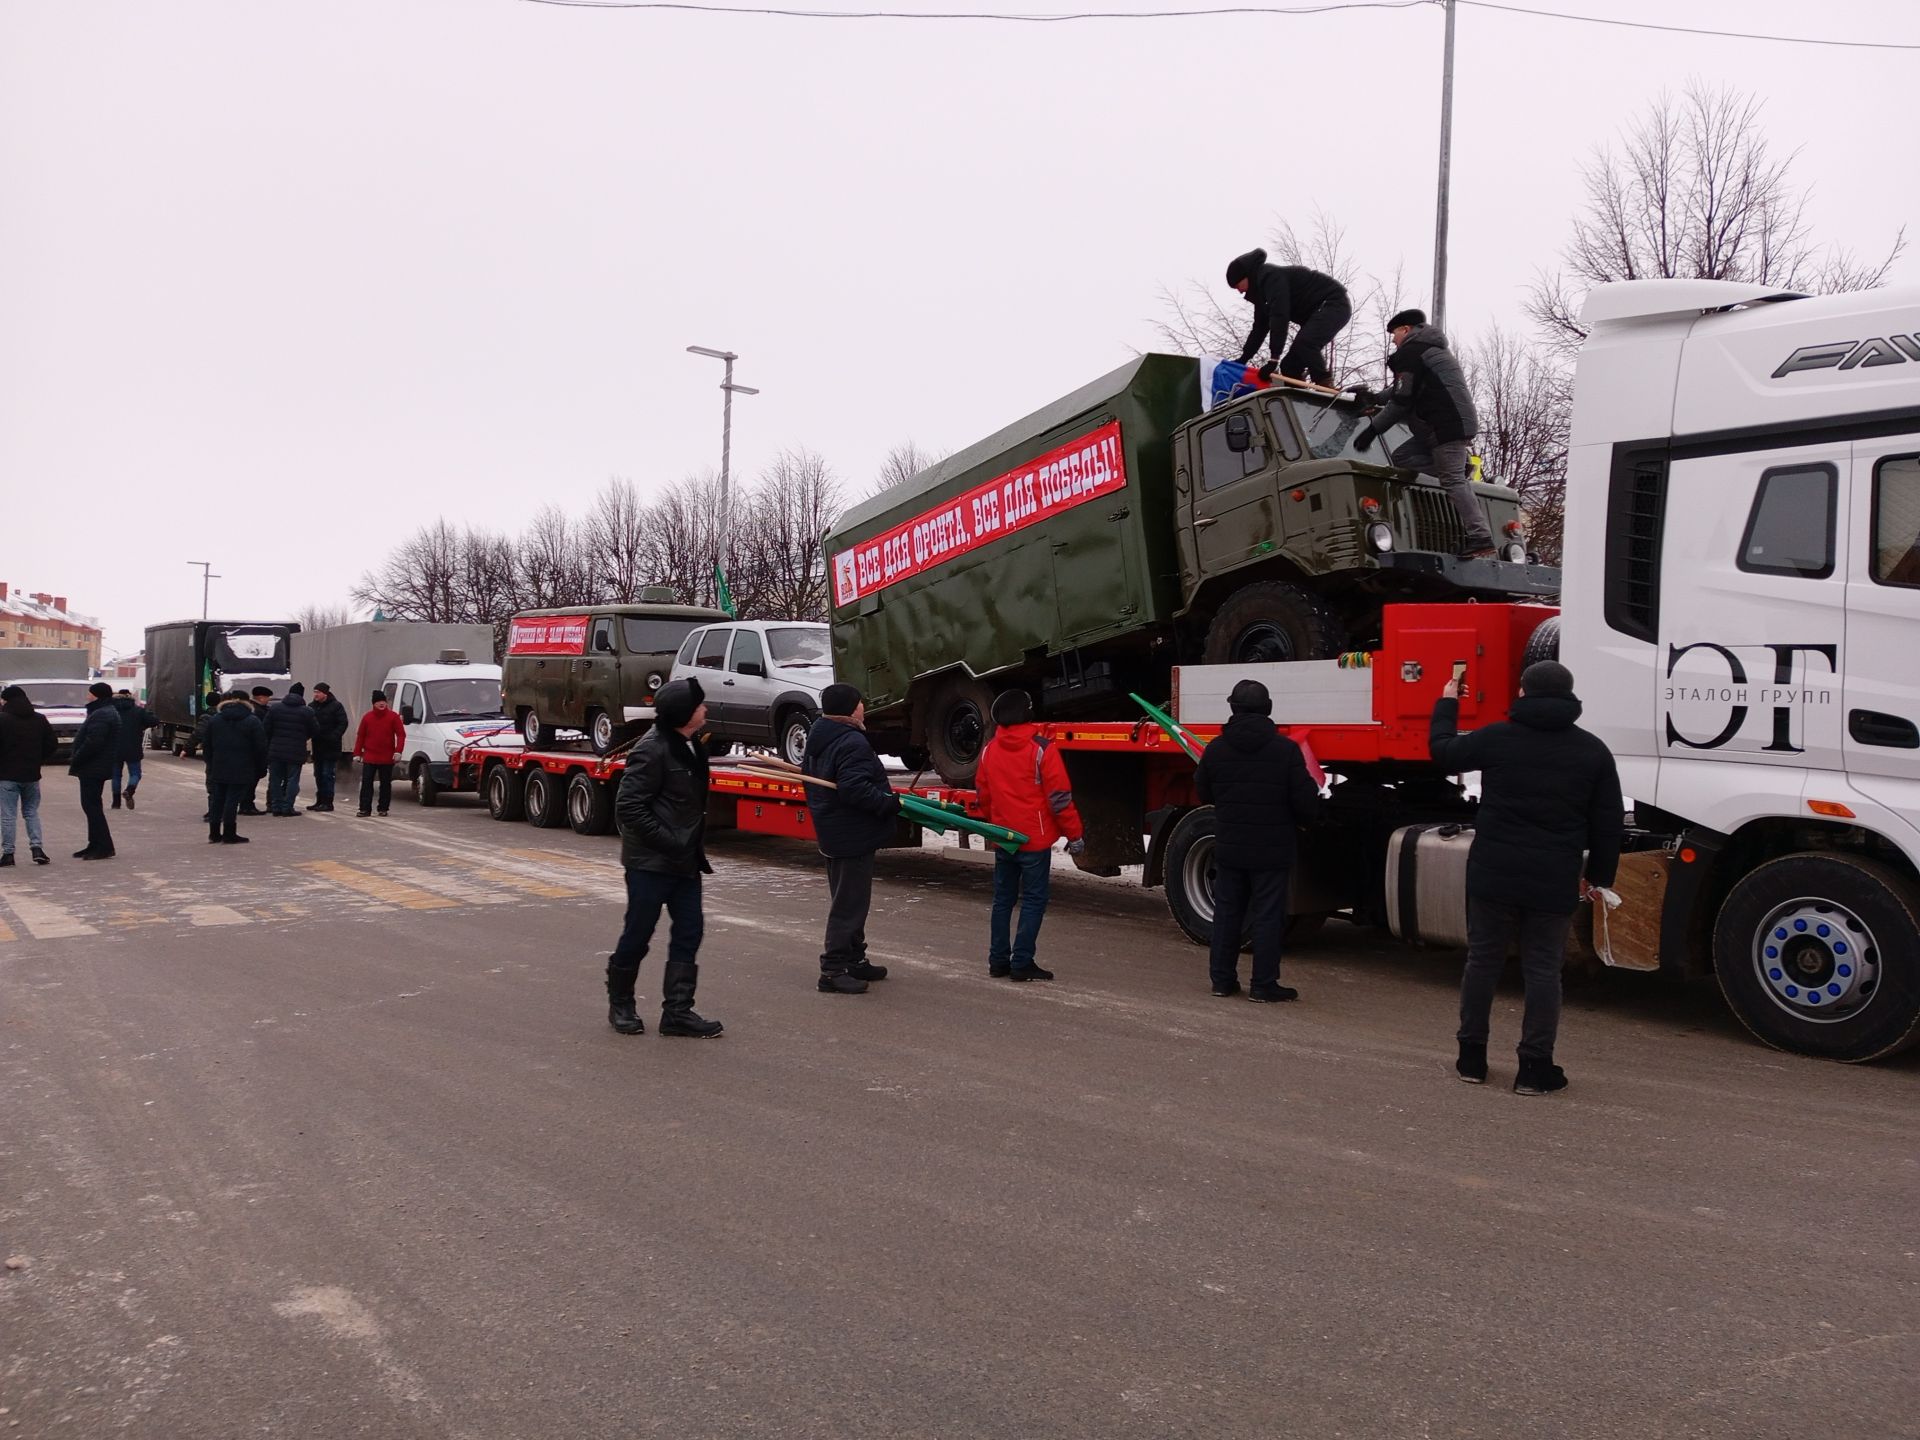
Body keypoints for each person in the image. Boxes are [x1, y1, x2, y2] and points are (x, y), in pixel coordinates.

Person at [1429, 659, 1624, 1095]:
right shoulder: (1592, 750)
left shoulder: (1498, 739)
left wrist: (1446, 701)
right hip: (1553, 875)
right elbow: (1608, 823)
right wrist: (1598, 877)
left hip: (1493, 871)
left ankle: (1472, 1058)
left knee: (1483, 961)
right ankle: (1534, 1069)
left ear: (1522, 693)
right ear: (1570, 697)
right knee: (1542, 971)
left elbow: (1442, 751)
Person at [605, 677, 724, 1039]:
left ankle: (678, 1012)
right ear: (685, 713)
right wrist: (670, 842)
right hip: (650, 864)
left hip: (684, 862)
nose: (706, 709)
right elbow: (629, 807)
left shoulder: (690, 745)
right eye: (700, 705)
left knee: (690, 931)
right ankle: (621, 1003)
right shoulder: (652, 749)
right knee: (638, 933)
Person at [1194, 679, 1323, 1002]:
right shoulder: (1285, 750)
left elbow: (1204, 792)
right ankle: (1264, 985)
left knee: (1227, 912)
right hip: (1272, 846)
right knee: (1267, 914)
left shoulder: (1216, 749)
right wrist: (1308, 822)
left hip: (1230, 844)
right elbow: (1304, 799)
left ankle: (1222, 981)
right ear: (1267, 709)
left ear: (1233, 709)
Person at [1354, 308, 1495, 560]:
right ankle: (1457, 470)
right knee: (1403, 456)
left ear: (1406, 329)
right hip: (1446, 424)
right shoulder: (1428, 350)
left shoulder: (1410, 352)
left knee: (1452, 481)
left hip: (1443, 426)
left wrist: (1372, 431)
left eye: (1394, 333)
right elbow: (1403, 387)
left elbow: (1401, 401)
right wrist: (1375, 398)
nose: (1393, 340)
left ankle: (1480, 537)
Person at [974, 689, 1085, 981]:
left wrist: (995, 821)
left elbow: (983, 794)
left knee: (1002, 900)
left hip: (1003, 837)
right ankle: (1022, 961)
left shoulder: (989, 750)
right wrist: (1074, 835)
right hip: (1033, 840)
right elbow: (1060, 799)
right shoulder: (1042, 749)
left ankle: (998, 961)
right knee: (1034, 900)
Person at [801, 683, 901, 995]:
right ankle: (832, 970)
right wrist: (887, 802)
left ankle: (855, 959)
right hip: (851, 832)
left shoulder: (822, 734)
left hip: (832, 828)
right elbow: (854, 788)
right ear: (850, 708)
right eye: (860, 703)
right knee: (849, 904)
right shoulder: (850, 740)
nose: (863, 708)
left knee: (849, 899)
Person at [1226, 248, 1352, 387]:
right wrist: (1243, 359)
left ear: (1246, 276)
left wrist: (1273, 360)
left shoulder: (1271, 277)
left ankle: (1325, 384)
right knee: (1289, 366)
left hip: (1333, 303)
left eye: (1238, 285)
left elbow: (1279, 316)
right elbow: (1259, 329)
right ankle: (1302, 400)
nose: (1239, 291)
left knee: (1306, 343)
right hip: (1317, 313)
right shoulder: (1261, 295)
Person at [201, 690, 268, 845]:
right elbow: (260, 747)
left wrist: (211, 763)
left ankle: (214, 833)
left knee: (218, 799)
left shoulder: (215, 719)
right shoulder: (252, 720)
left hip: (219, 765)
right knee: (232, 800)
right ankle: (229, 834)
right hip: (242, 766)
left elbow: (207, 744)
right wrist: (261, 767)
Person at [0, 685, 56, 866]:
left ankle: (8, 854)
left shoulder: (3, 719)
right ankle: (37, 848)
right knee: (31, 812)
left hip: (6, 775)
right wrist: (39, 759)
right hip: (31, 775)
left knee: (8, 815)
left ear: (7, 700)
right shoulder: (39, 719)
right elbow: (51, 744)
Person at [67, 681, 121, 860]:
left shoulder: (102, 714)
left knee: (92, 806)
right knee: (91, 806)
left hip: (93, 766)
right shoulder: (103, 711)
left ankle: (104, 846)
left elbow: (94, 742)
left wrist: (77, 757)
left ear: (96, 695)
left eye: (89, 693)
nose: (87, 696)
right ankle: (94, 843)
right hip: (95, 766)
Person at [263, 682, 318, 817]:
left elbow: (266, 728)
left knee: (275, 779)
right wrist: (303, 737)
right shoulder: (307, 711)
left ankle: (276, 807)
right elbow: (315, 730)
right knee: (293, 779)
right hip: (296, 750)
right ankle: (288, 807)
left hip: (276, 750)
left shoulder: (275, 709)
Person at [352, 691, 406, 817]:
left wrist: (398, 751)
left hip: (387, 757)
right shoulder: (367, 717)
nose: (381, 704)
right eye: (378, 702)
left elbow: (401, 735)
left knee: (385, 784)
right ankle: (364, 809)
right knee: (366, 783)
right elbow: (361, 736)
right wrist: (357, 753)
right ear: (374, 704)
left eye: (383, 701)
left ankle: (383, 808)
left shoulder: (393, 717)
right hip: (370, 756)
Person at [109, 689, 158, 810]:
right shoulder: (138, 711)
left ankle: (116, 803)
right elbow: (154, 721)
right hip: (133, 747)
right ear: (130, 697)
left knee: (115, 775)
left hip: (114, 748)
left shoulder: (111, 710)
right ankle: (129, 790)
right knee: (135, 773)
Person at [306, 682, 349, 813]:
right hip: (318, 746)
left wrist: (334, 736)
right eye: (314, 692)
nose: (315, 695)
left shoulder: (336, 706)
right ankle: (319, 801)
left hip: (331, 747)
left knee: (327, 774)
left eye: (318, 692)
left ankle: (328, 802)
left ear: (325, 693)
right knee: (318, 774)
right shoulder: (312, 706)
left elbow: (343, 723)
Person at [242, 687, 275, 814]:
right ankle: (247, 805)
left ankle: (247, 804)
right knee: (252, 778)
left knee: (251, 778)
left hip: (250, 751)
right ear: (261, 697)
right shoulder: (258, 712)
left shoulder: (254, 709)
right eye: (267, 698)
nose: (269, 700)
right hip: (255, 751)